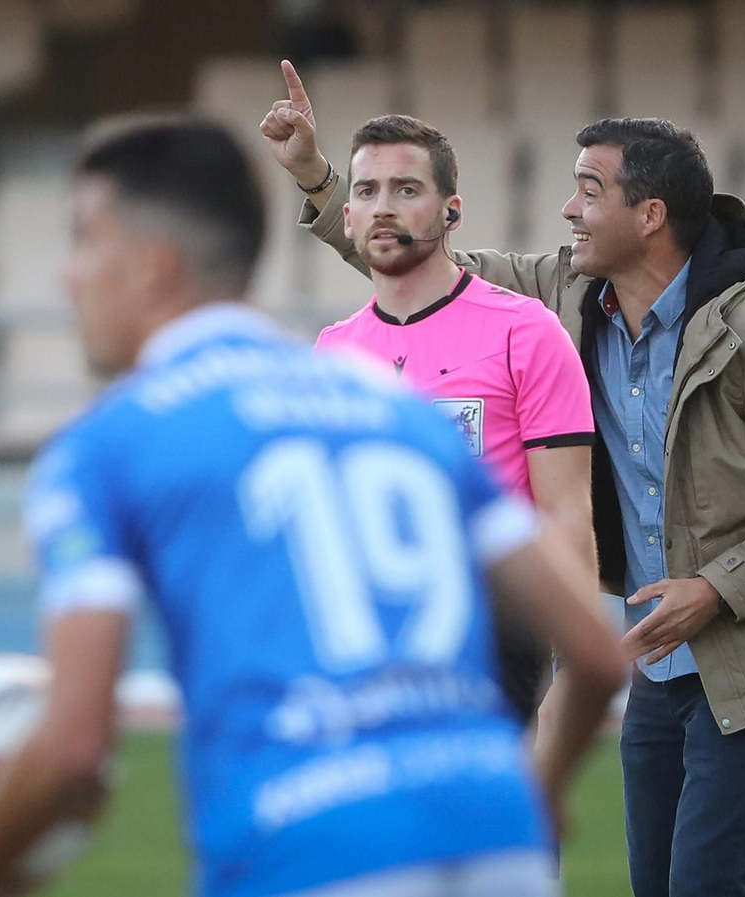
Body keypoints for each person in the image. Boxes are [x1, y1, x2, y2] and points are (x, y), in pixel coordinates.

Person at [0, 116, 624, 897]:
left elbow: (74, 747)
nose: (67, 275)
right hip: (495, 836)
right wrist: (535, 795)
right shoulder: (387, 404)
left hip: (307, 846)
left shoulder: (105, 446)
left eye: (85, 241)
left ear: (154, 266)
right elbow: (598, 653)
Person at [281, 108, 745, 897]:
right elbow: (423, 270)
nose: (569, 209)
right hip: (655, 656)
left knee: (705, 886)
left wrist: (715, 588)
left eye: (589, 192)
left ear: (650, 215)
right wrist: (319, 180)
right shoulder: (566, 296)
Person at [260, 63, 600, 745]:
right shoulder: (331, 352)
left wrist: (572, 680)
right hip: (365, 657)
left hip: (496, 646)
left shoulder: (526, 331)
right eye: (367, 190)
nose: (383, 206)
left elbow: (568, 517)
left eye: (406, 189)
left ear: (452, 210)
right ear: (348, 214)